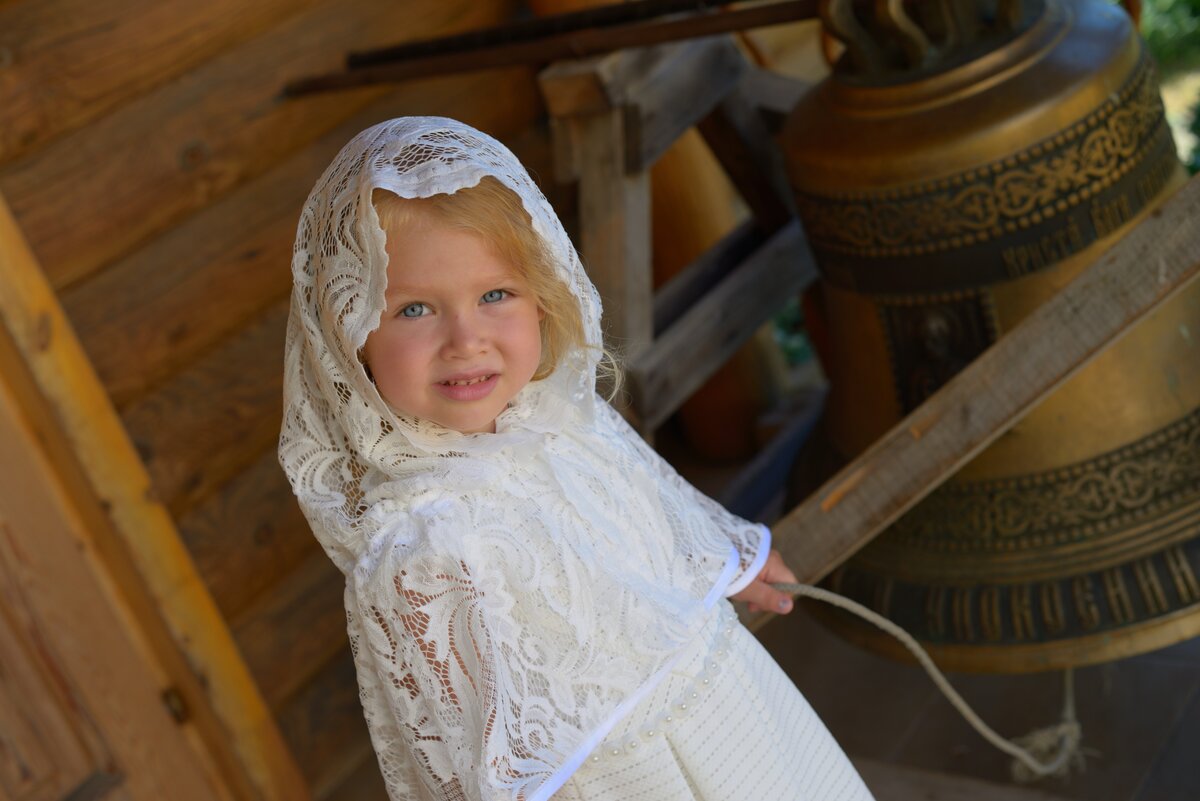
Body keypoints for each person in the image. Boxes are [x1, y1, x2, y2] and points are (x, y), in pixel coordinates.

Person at [278, 117, 874, 801]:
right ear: (350, 340)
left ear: (543, 292)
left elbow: (648, 493)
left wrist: (727, 555)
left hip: (727, 711)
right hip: (619, 781)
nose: (465, 339)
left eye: (494, 295)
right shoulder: (417, 544)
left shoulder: (558, 419)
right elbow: (465, 754)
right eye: (415, 309)